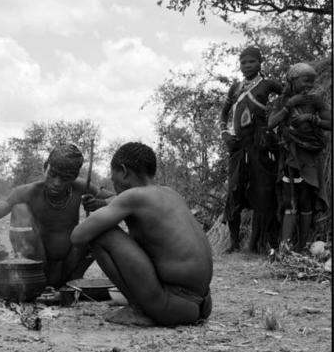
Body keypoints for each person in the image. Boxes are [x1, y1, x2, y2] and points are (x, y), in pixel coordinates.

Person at [70, 142, 213, 327]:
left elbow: (78, 236)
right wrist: (104, 204)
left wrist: (100, 213)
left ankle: (138, 309)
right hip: (202, 304)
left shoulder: (133, 197)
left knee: (99, 234)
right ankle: (146, 305)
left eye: (115, 180)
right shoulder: (170, 193)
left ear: (124, 170)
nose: (116, 186)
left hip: (171, 306)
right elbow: (123, 200)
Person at [0, 143, 114, 288]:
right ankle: (34, 284)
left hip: (70, 268)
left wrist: (101, 203)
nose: (57, 183)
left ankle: (70, 284)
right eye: (53, 174)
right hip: (35, 269)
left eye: (65, 178)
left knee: (98, 228)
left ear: (74, 177)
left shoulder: (80, 187)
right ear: (45, 167)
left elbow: (119, 199)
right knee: (20, 210)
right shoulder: (28, 192)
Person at [220, 46, 283, 253]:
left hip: (260, 145)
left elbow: (288, 96)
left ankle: (267, 243)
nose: (247, 66)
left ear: (259, 63)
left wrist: (274, 122)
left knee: (263, 191)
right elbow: (224, 113)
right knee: (234, 191)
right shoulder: (235, 88)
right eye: (243, 62)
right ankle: (234, 244)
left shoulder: (267, 85)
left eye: (251, 62)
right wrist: (224, 133)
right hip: (238, 146)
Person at [268, 62, 332, 251]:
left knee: (305, 199)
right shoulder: (283, 101)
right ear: (293, 80)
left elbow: (331, 122)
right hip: (291, 156)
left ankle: (302, 246)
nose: (308, 86)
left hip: (309, 157)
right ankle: (284, 247)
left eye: (311, 82)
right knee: (289, 200)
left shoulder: (316, 100)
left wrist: (311, 119)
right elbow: (271, 123)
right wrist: (289, 106)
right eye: (305, 81)